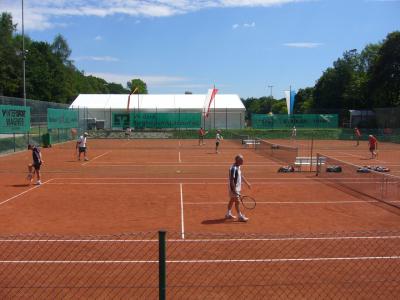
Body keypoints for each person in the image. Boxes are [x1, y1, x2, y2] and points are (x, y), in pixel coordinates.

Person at [226, 154, 251, 222]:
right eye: (241, 160)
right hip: (233, 188)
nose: (243, 161)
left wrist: (247, 183)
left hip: (236, 188)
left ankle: (228, 214)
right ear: (237, 160)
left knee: (232, 200)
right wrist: (234, 190)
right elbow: (231, 180)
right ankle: (240, 216)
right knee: (237, 201)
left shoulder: (238, 167)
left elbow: (241, 175)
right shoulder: (233, 169)